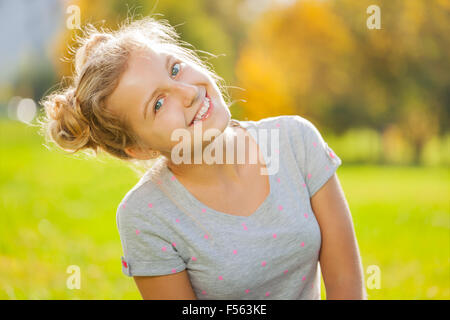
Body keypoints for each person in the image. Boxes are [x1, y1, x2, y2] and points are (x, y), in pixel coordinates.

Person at [38, 16, 366, 300]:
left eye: (175, 69)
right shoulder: (146, 217)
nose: (189, 92)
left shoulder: (296, 140)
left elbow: (346, 283)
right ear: (140, 149)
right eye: (157, 104)